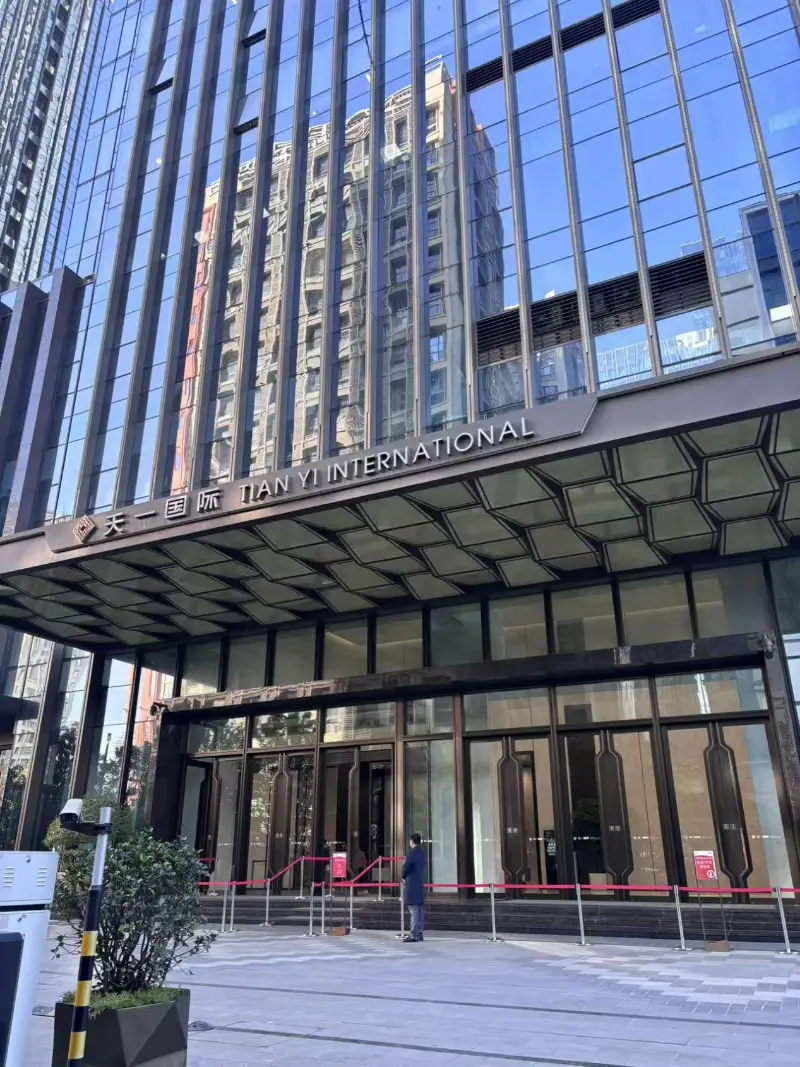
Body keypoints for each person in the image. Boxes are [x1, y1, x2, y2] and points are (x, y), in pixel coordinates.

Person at [401, 832, 426, 943]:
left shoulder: (412, 854)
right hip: (419, 884)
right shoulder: (422, 854)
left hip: (412, 884)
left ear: (411, 841)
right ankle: (419, 933)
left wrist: (403, 876)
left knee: (414, 910)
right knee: (419, 910)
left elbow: (406, 867)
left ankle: (413, 934)